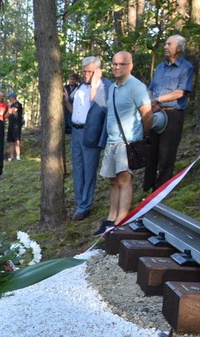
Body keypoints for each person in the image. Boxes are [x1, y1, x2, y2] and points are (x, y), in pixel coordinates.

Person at [93, 51, 152, 236]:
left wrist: (142, 135)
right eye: (114, 64)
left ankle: (121, 221)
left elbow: (147, 114)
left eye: (122, 64)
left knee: (124, 180)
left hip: (127, 141)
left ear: (130, 66)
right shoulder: (112, 88)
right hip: (112, 141)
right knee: (113, 181)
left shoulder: (136, 86)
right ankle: (111, 219)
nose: (117, 67)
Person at [142, 35, 195, 192]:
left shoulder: (186, 68)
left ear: (179, 48)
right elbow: (150, 89)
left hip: (173, 114)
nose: (165, 47)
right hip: (154, 113)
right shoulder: (160, 68)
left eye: (169, 44)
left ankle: (162, 190)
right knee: (151, 151)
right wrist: (151, 103)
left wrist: (158, 100)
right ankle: (148, 188)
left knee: (167, 153)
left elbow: (181, 92)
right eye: (165, 44)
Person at [65, 57, 112, 221]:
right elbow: (76, 110)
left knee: (89, 170)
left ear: (98, 71)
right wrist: (66, 101)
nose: (86, 74)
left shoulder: (105, 86)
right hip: (76, 131)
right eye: (84, 71)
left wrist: (95, 83)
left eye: (90, 72)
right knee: (78, 169)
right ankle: (79, 202)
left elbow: (99, 107)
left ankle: (85, 206)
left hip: (91, 132)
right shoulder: (80, 87)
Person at [6, 92, 24, 161]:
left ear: (12, 97)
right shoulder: (11, 105)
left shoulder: (17, 104)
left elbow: (11, 112)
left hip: (16, 126)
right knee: (11, 142)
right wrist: (9, 108)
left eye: (9, 97)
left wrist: (9, 107)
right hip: (10, 125)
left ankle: (18, 156)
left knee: (17, 141)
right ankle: (12, 156)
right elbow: (6, 115)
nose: (9, 99)